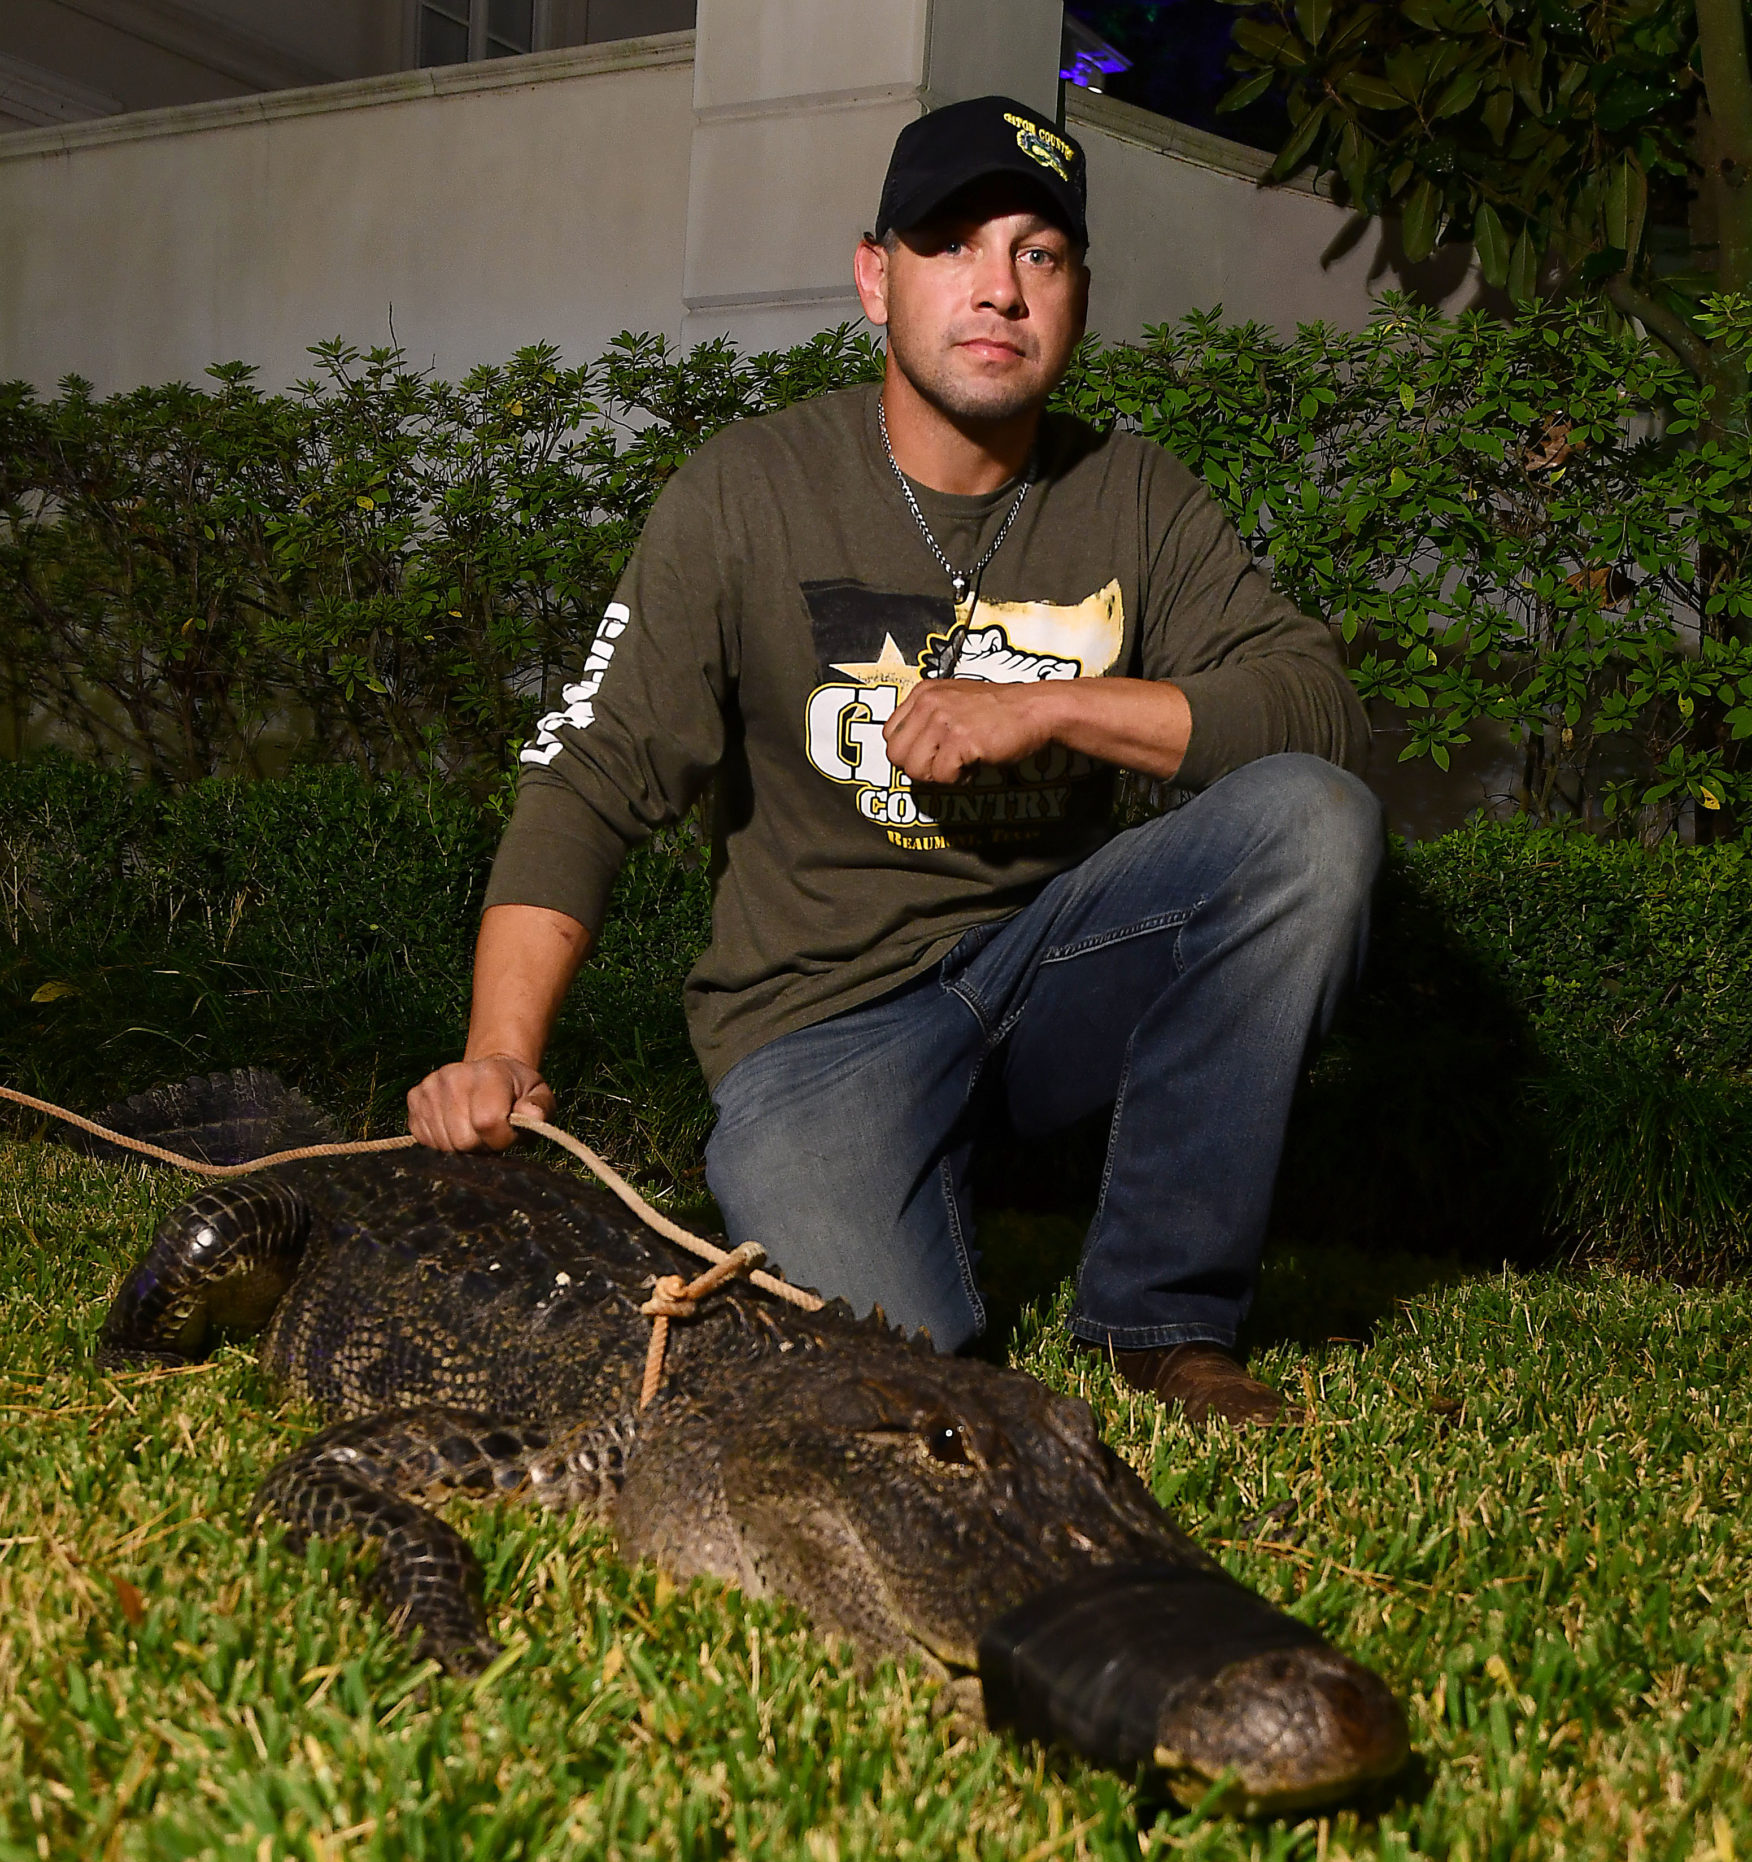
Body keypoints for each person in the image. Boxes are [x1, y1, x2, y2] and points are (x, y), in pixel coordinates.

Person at [409, 95, 1381, 1425]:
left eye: (1038, 253)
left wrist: (1051, 708)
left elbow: (1321, 715)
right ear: (876, 279)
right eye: (951, 244)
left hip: (1046, 974)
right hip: (821, 1032)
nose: (999, 287)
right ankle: (909, 1200)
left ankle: (1164, 1319)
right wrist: (499, 1052)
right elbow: (588, 773)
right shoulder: (747, 491)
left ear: (1078, 299)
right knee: (899, 1375)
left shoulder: (1135, 495)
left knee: (1313, 824)